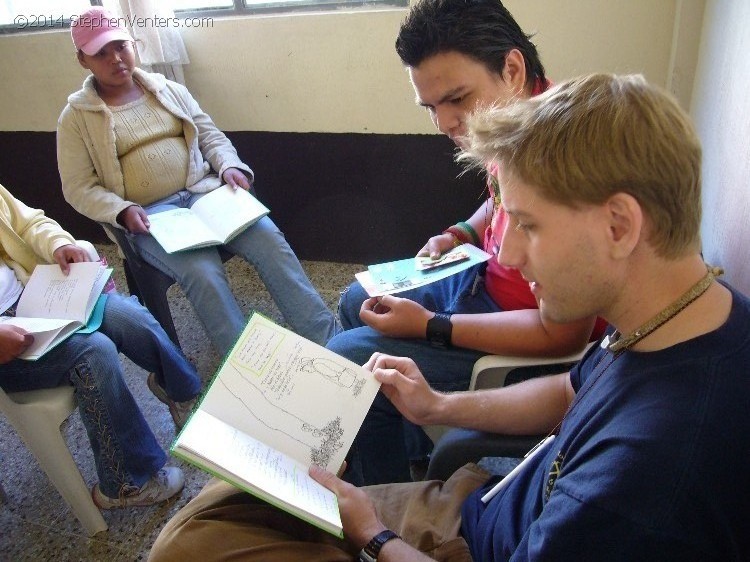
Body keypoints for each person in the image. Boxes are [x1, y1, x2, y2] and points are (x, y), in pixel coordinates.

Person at [149, 73, 750, 560]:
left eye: (531, 226)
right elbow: (572, 392)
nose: (507, 254)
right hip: (489, 506)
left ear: (619, 226)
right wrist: (438, 405)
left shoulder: (646, 481)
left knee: (187, 547)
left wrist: (372, 535)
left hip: (471, 542)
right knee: (225, 497)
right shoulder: (674, 315)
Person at [328, 0, 602, 486]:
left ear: (512, 69)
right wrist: (463, 233)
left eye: (457, 98)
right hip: (480, 279)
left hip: (519, 328)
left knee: (354, 364)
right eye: (431, 107)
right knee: (358, 298)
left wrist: (433, 327)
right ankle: (404, 436)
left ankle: (387, 501)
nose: (444, 124)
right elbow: (498, 200)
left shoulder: (566, 158)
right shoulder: (517, 118)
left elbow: (564, 335)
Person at [57, 7, 337, 357]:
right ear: (83, 60)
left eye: (121, 46)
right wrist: (121, 209)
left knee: (269, 238)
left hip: (205, 194)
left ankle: (330, 339)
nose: (116, 58)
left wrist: (228, 166)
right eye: (101, 53)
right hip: (150, 217)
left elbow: (210, 136)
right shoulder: (76, 119)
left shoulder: (166, 89)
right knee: (203, 274)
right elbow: (78, 187)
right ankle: (247, 368)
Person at [0, 183, 203, 508]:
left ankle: (183, 394)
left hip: (30, 296)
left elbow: (28, 222)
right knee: (94, 351)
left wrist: (58, 245)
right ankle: (124, 482)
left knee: (127, 316)